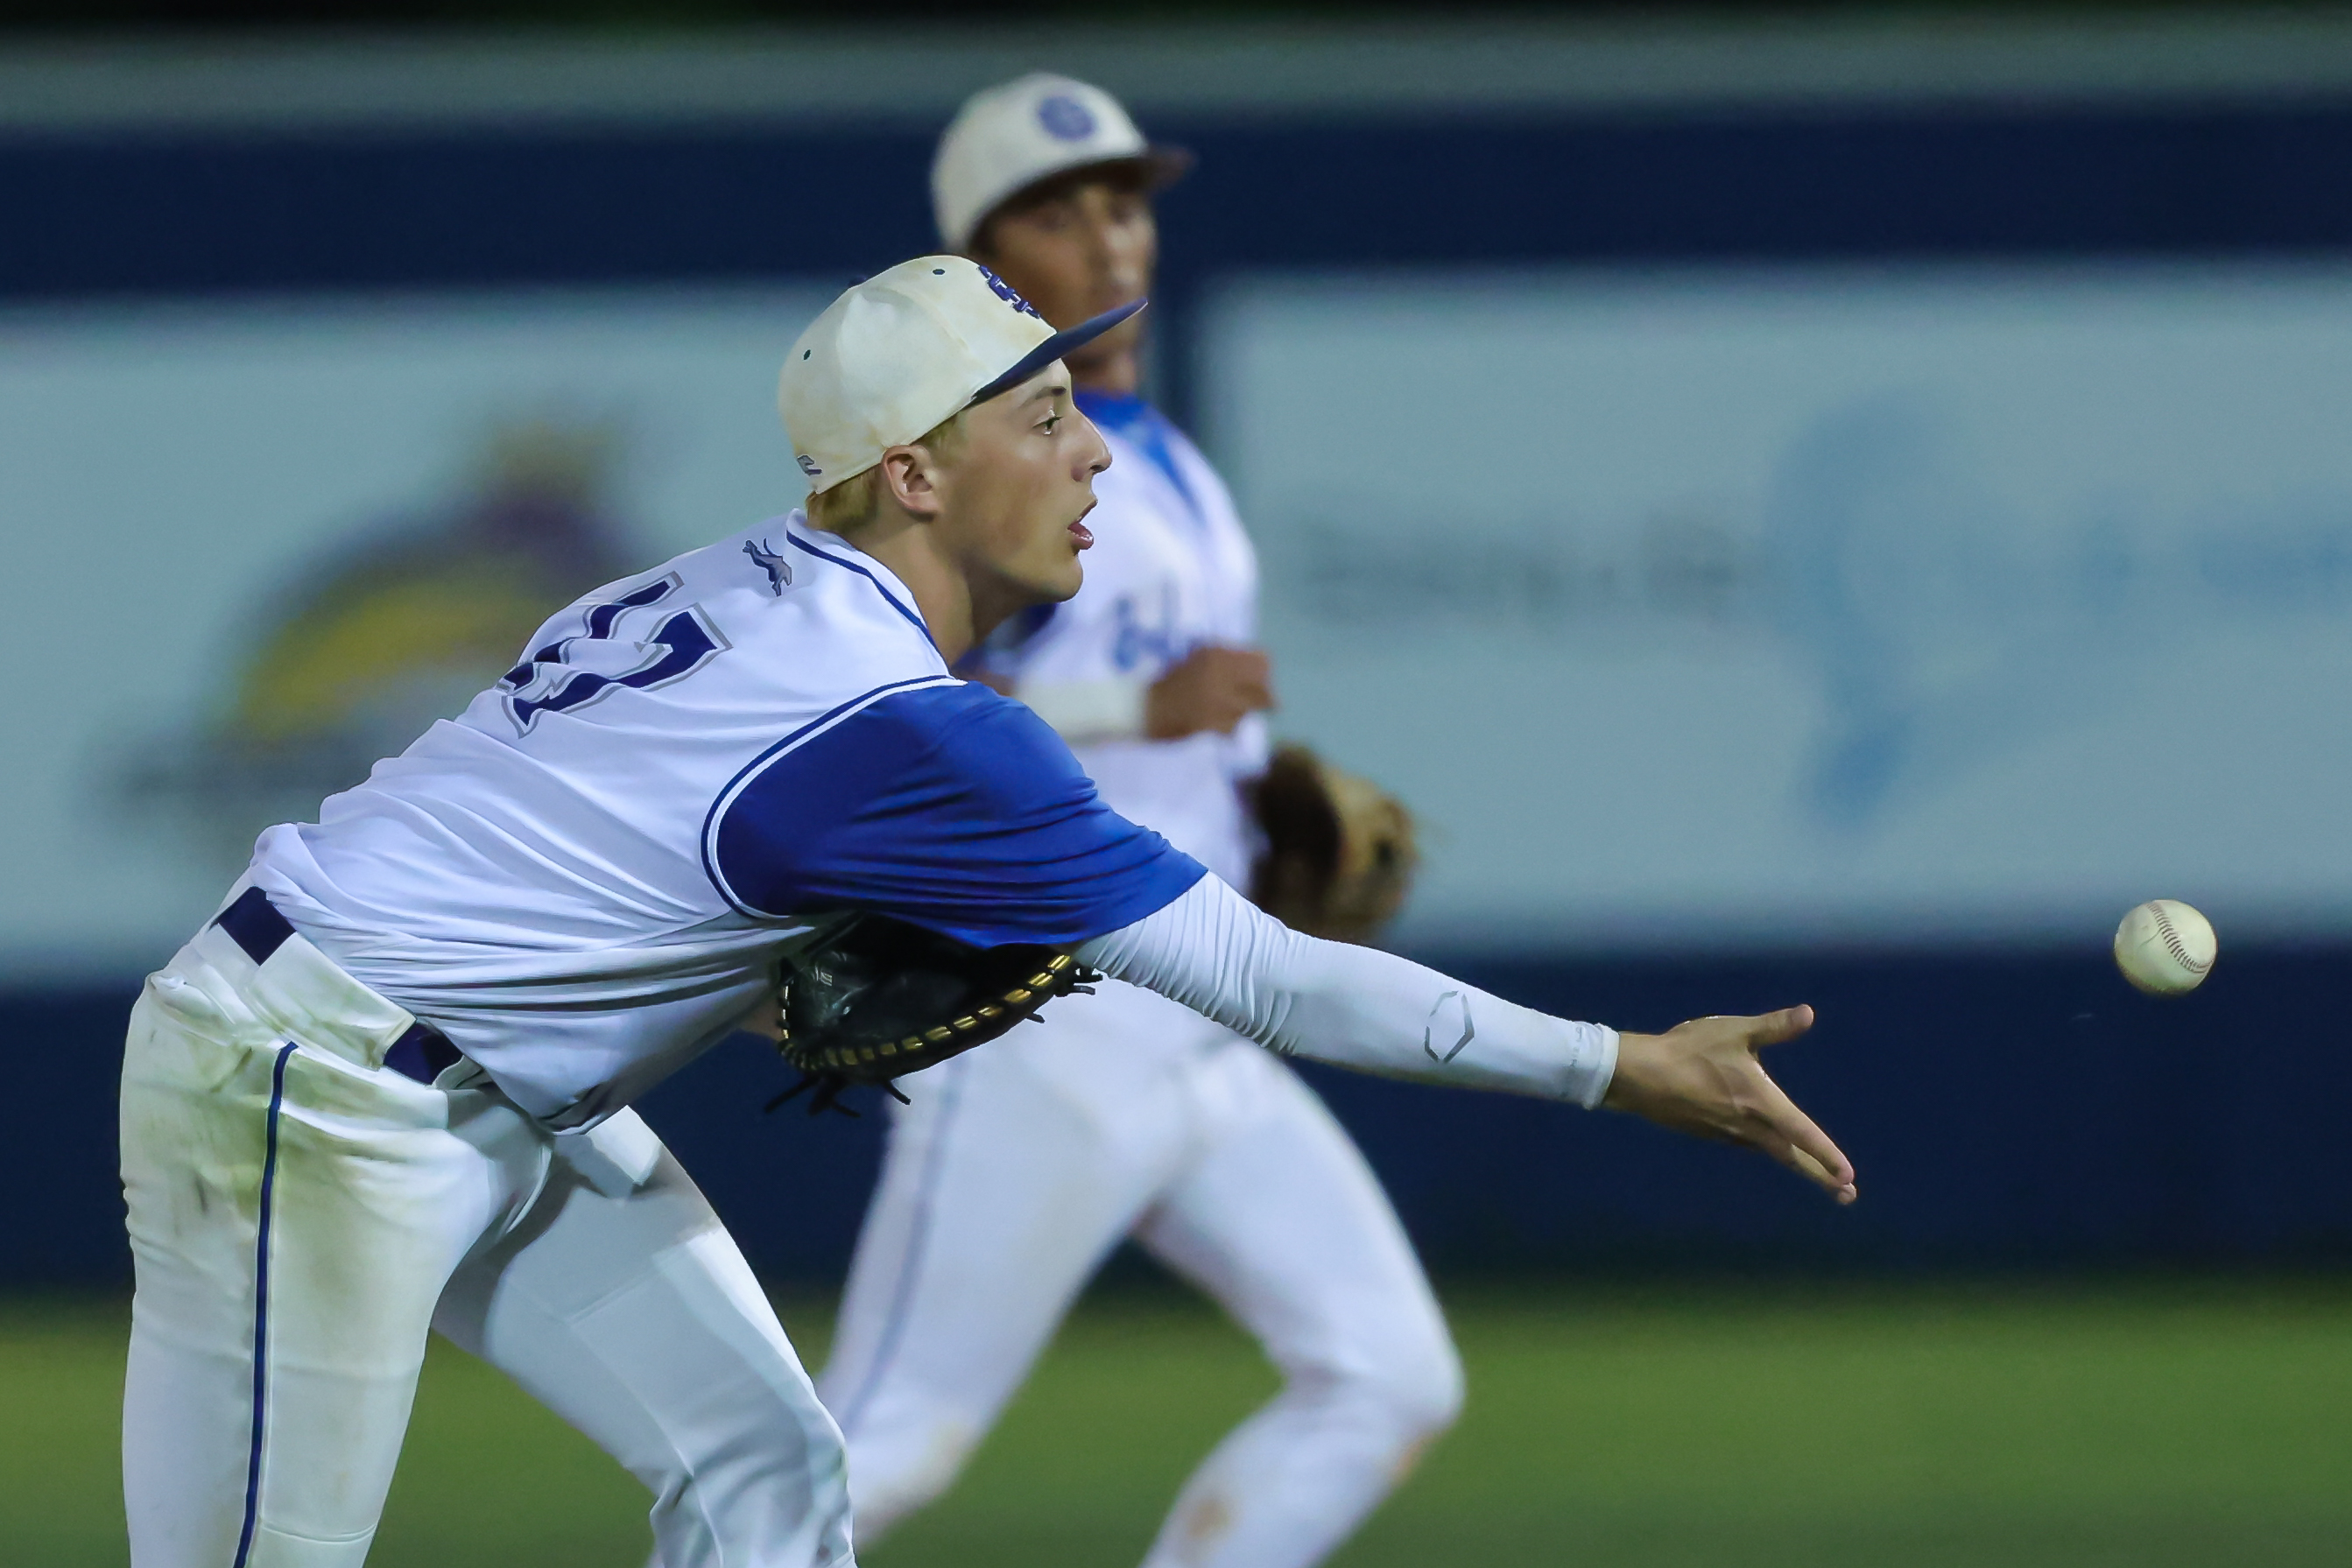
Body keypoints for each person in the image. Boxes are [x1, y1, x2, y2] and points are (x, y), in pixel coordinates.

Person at [121, 254, 1855, 1568]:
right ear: (913, 473)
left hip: (467, 1076)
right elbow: (1268, 978)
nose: (1090, 451)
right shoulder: (904, 727)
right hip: (311, 1089)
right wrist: (1621, 1064)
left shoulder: (723, 581)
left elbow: (580, 858)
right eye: (1038, 416)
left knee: (770, 1473)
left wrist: (756, 966)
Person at [810, 74, 1451, 1568]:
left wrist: (1241, 790)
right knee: (883, 1448)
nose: (1107, 237)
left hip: (1199, 1010)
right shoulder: (969, 461)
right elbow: (873, 712)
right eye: (1057, 210)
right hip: (1047, 1022)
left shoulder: (1160, 452)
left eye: (1123, 202)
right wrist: (1136, 718)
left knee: (1385, 1375)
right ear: (978, 258)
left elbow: (1166, 699)